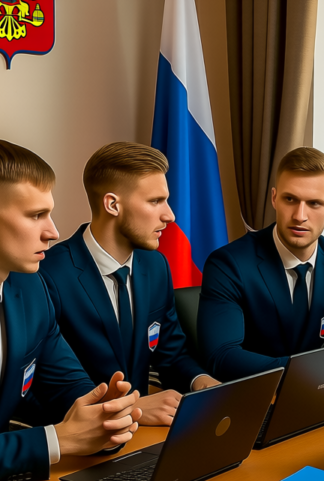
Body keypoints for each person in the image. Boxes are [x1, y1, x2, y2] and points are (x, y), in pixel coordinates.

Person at [0, 138, 141, 480]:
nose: (53, 232)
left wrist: (105, 415)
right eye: (36, 215)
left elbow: (65, 385)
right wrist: (52, 441)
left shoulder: (33, 288)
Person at [39, 142, 218, 427]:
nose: (170, 215)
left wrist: (202, 381)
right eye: (155, 201)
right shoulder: (47, 274)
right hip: (83, 438)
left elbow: (171, 354)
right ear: (112, 204)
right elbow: (45, 384)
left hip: (143, 434)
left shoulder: (156, 265)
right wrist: (130, 408)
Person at [197, 147, 324, 381]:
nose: (300, 215)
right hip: (253, 393)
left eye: (314, 203)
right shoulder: (229, 264)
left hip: (318, 392)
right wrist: (319, 366)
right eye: (290, 199)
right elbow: (221, 356)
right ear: (274, 198)